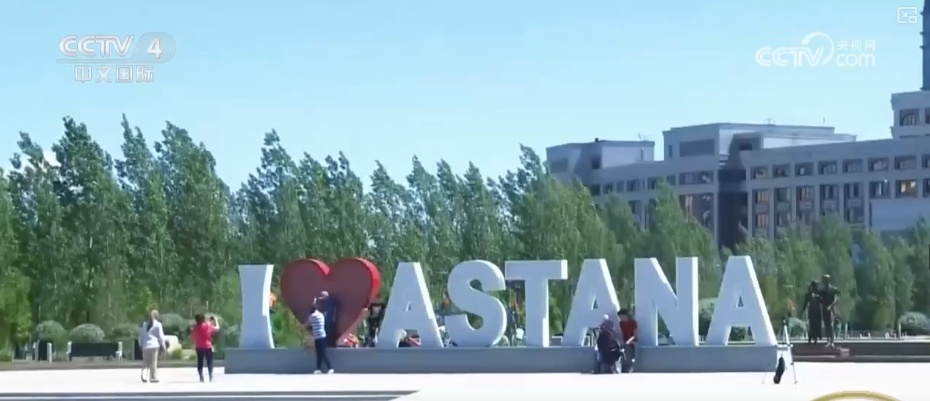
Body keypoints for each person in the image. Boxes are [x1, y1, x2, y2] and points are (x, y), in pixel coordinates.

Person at [137, 310, 166, 383]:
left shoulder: (144, 325)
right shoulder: (158, 324)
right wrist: (163, 345)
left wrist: (141, 344)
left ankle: (144, 376)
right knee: (153, 362)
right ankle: (153, 377)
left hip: (145, 346)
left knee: (145, 362)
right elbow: (161, 336)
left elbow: (141, 336)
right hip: (154, 345)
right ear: (157, 316)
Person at [191, 314, 220, 382]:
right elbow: (217, 328)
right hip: (207, 346)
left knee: (200, 361)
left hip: (199, 346)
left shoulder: (195, 327)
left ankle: (201, 376)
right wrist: (215, 320)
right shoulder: (207, 325)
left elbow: (193, 336)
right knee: (210, 361)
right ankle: (210, 376)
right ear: (203, 319)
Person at [307, 305, 334, 374]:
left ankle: (330, 367)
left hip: (317, 336)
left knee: (321, 353)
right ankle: (318, 368)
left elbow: (308, 324)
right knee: (320, 353)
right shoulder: (321, 315)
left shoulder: (312, 316)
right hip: (322, 335)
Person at [818, 274, 840, 347]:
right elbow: (821, 300)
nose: (824, 281)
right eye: (824, 280)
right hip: (824, 309)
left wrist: (831, 306)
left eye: (825, 280)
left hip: (831, 309)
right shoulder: (822, 290)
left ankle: (832, 341)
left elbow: (837, 298)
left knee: (831, 325)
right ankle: (828, 341)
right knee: (826, 325)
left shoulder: (833, 289)